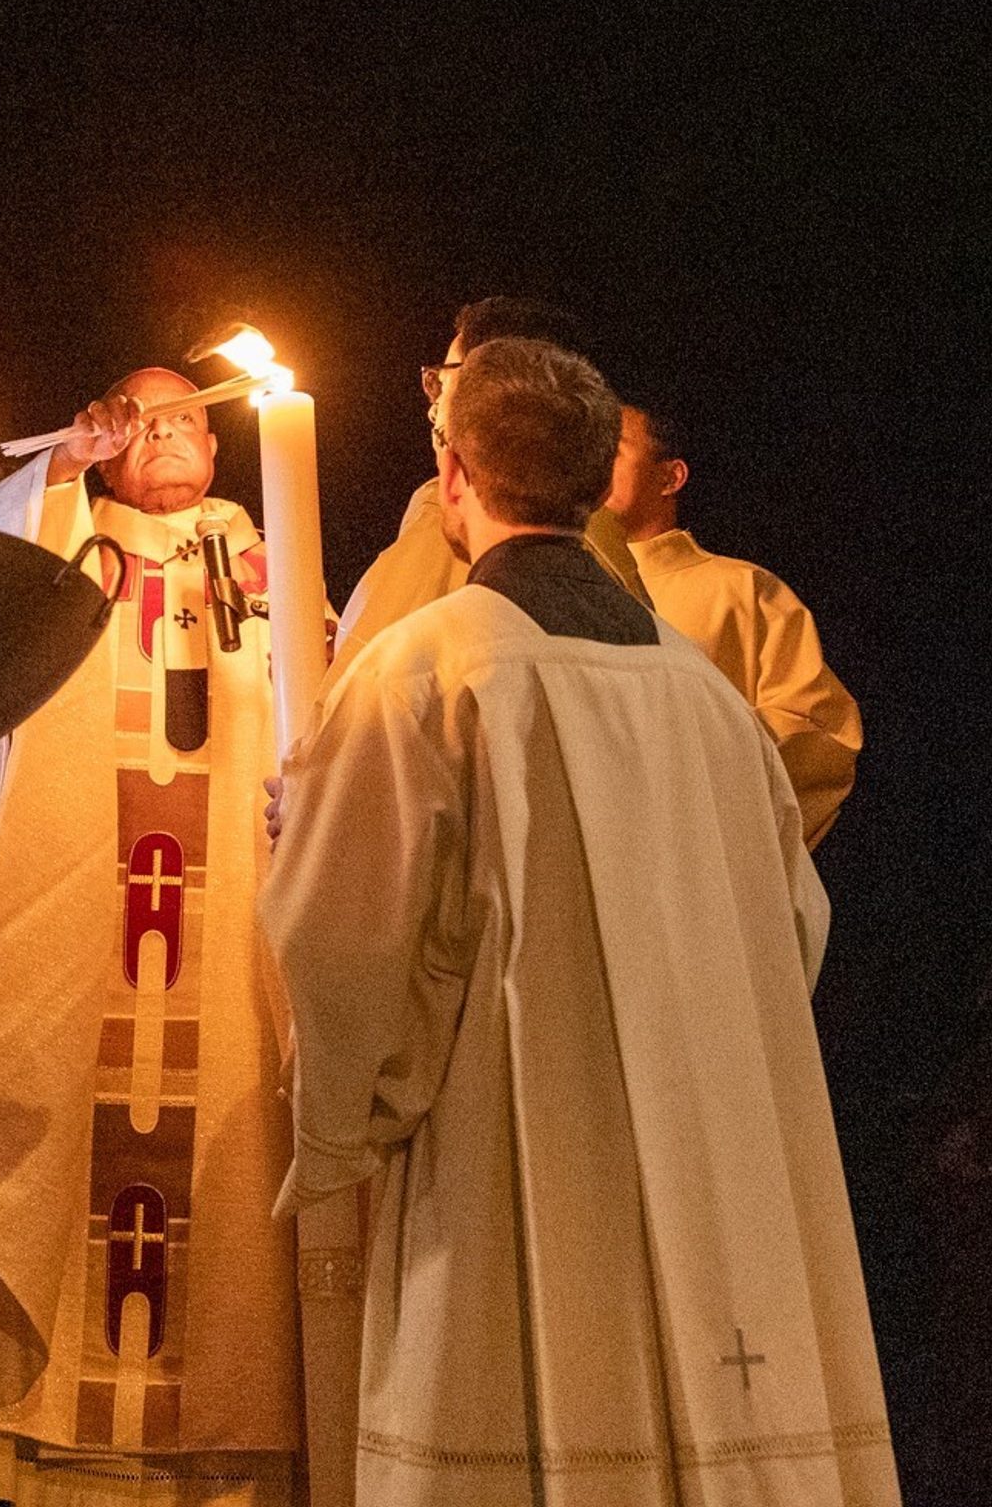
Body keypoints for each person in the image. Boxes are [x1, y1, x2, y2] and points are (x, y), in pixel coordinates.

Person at [259, 338, 900, 1506]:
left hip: (508, 1150)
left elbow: (343, 939)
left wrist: (354, 1115)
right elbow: (793, 931)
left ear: (453, 474)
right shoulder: (705, 695)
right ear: (601, 471)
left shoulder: (424, 671)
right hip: (720, 1155)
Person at [0, 370, 302, 1504]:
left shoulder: (271, 564)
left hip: (231, 931)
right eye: (143, 414)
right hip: (89, 917)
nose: (171, 429)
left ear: (224, 452)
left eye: (191, 414)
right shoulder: (64, 539)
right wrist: (64, 468)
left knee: (234, 1175)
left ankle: (230, 1446)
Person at [328, 295, 648, 687]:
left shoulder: (457, 526)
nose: (433, 410)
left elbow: (370, 706)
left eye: (443, 383)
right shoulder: (673, 658)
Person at [605, 402, 862, 847]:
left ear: (670, 477)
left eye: (615, 448)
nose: (593, 462)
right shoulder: (560, 586)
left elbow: (823, 736)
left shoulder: (743, 589)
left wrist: (686, 759)